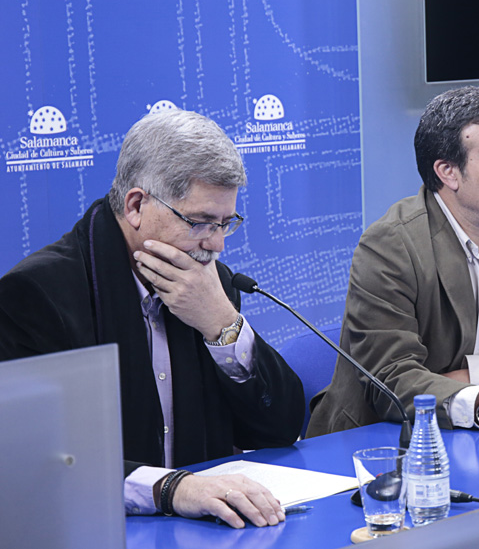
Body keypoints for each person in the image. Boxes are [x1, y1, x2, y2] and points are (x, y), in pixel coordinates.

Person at [0, 110, 304, 528]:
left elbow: (279, 428)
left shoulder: (209, 286)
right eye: (200, 222)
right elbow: (34, 461)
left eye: (225, 224)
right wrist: (170, 488)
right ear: (136, 205)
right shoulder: (39, 294)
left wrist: (222, 325)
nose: (216, 244)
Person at [306, 86, 479, 437]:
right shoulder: (391, 247)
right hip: (381, 443)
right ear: (448, 172)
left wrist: (473, 377)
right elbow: (391, 381)